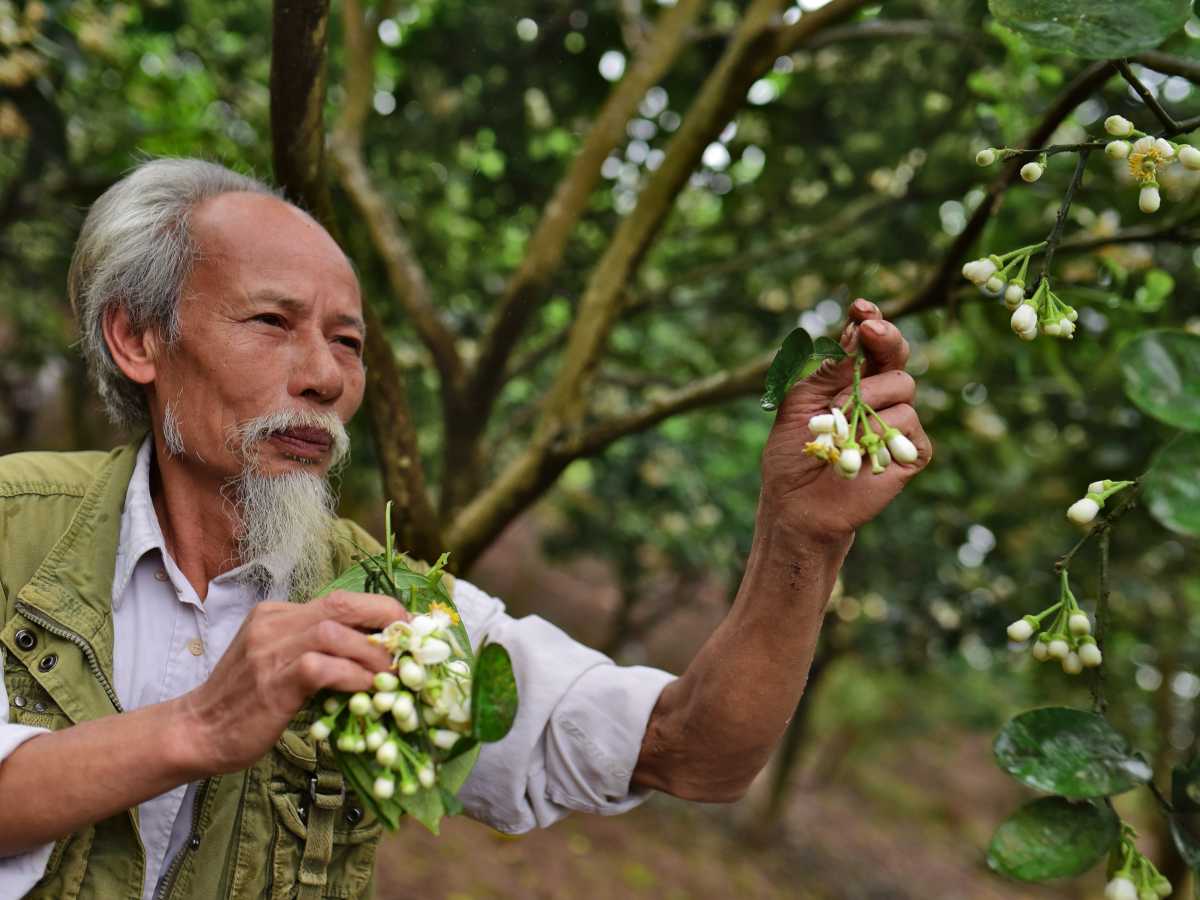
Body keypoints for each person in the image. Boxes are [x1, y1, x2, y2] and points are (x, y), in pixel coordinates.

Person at [0, 158, 930, 899]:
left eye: (350, 341)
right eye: (272, 321)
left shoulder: (398, 615)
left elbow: (694, 751)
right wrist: (205, 723)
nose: (325, 377)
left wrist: (800, 538)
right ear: (138, 340)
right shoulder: (14, 526)